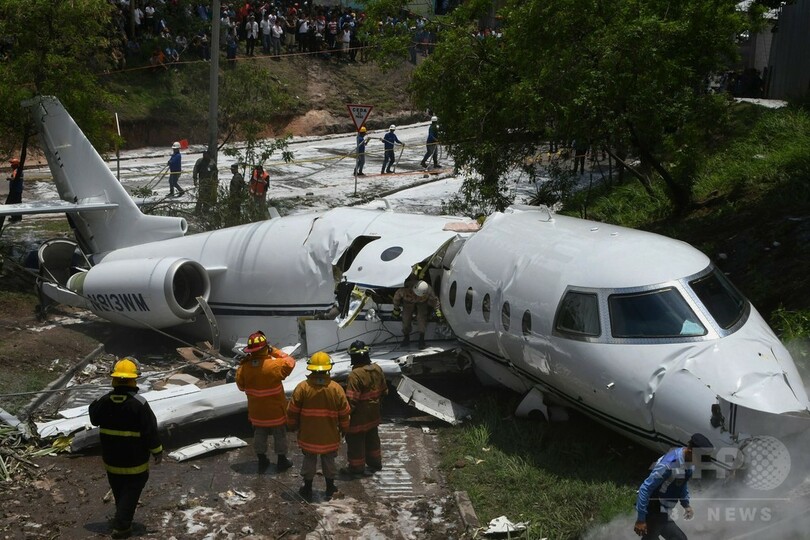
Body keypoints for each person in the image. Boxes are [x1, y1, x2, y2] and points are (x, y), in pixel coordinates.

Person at [89, 357, 163, 539]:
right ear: (134, 380)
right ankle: (122, 527)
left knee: (119, 488)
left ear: (113, 379)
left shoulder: (103, 401)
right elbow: (150, 431)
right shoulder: (139, 404)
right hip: (134, 461)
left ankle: (121, 514)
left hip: (111, 460)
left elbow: (93, 418)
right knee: (131, 490)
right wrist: (157, 451)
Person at [286, 351, 351, 501]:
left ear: (311, 368)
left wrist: (292, 425)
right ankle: (330, 487)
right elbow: (344, 413)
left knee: (309, 460)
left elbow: (292, 411)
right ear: (328, 368)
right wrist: (345, 428)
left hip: (309, 435)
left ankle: (307, 488)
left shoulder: (302, 388)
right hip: (329, 436)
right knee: (329, 461)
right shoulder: (336, 388)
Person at [236, 331, 296, 473]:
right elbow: (290, 362)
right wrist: (274, 351)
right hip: (275, 411)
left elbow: (240, 386)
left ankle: (262, 459)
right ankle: (281, 460)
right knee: (279, 434)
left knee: (259, 434)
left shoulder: (244, 368)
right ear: (265, 348)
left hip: (257, 412)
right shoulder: (275, 366)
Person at [634, 433, 714, 540]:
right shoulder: (669, 465)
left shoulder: (690, 462)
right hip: (653, 509)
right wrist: (641, 519)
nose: (700, 463)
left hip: (662, 511)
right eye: (700, 459)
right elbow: (645, 488)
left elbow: (681, 483)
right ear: (690, 452)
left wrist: (686, 504)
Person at [342, 340, 387, 476]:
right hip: (374, 414)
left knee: (356, 442)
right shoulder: (377, 369)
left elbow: (351, 400)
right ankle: (375, 463)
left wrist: (344, 418)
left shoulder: (354, 375)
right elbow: (384, 391)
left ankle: (356, 468)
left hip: (358, 417)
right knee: (372, 439)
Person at [392, 279, 441, 349]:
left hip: (422, 302)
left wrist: (438, 311)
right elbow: (396, 298)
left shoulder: (428, 290)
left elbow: (435, 300)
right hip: (408, 302)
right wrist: (396, 308)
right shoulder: (404, 289)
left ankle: (421, 338)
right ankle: (406, 337)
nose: (416, 296)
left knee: (422, 317)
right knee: (405, 317)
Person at [192, 150, 216, 214]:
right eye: (203, 154)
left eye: (205, 154)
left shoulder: (212, 163)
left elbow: (215, 172)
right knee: (201, 196)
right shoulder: (200, 161)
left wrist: (215, 181)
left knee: (208, 196)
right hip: (202, 182)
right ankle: (197, 210)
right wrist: (195, 179)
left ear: (208, 155)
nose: (204, 156)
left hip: (209, 183)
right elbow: (195, 170)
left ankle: (206, 210)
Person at [2, 157, 23, 227]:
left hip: (15, 191)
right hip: (18, 190)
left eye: (12, 164)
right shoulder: (19, 170)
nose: (11, 165)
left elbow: (14, 178)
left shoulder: (16, 171)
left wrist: (9, 178)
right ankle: (17, 218)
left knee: (11, 204)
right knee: (17, 203)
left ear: (15, 165)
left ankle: (14, 218)